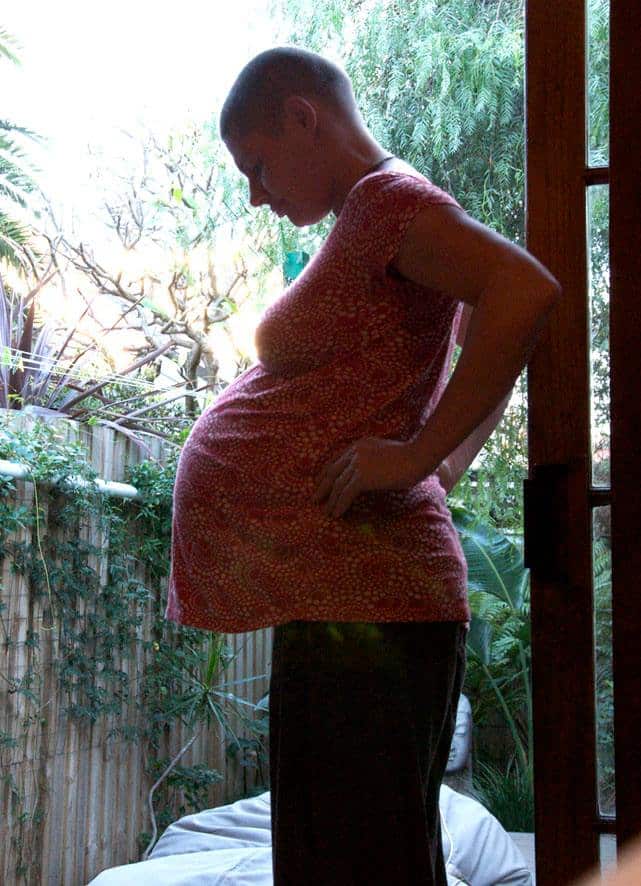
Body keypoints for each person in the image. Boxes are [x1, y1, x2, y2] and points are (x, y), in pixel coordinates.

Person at [165, 46, 561, 885]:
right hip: (346, 594)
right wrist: (443, 463)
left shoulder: (388, 203)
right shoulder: (370, 218)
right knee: (331, 857)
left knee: (356, 862)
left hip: (373, 602)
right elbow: (489, 338)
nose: (256, 194)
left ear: (303, 118)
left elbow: (522, 294)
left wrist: (421, 456)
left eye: (258, 165)